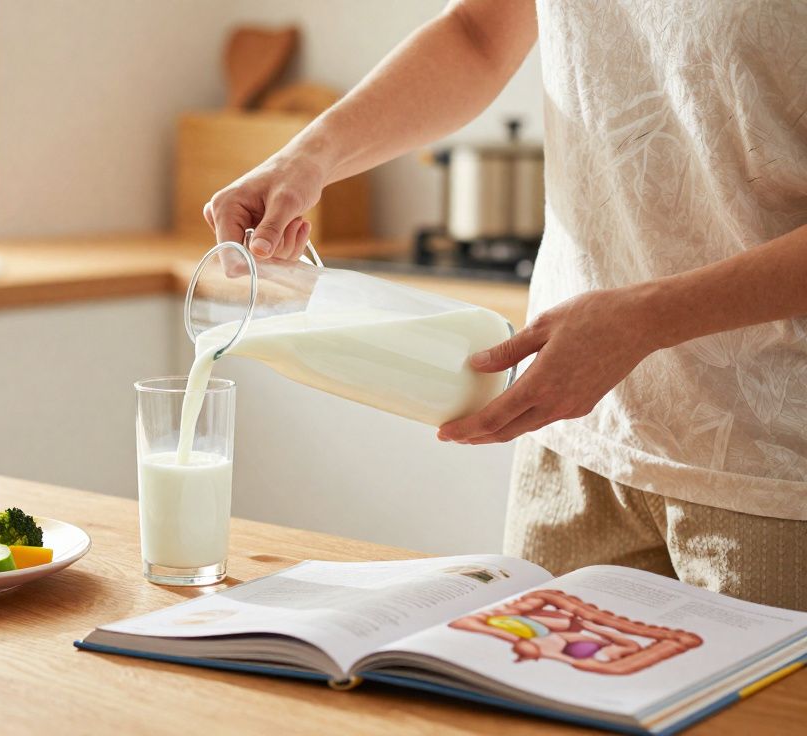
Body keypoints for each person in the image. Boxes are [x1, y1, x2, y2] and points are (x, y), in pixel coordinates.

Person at [204, 0, 807, 610]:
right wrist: (307, 158)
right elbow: (476, 35)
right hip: (575, 432)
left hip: (775, 467)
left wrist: (648, 318)